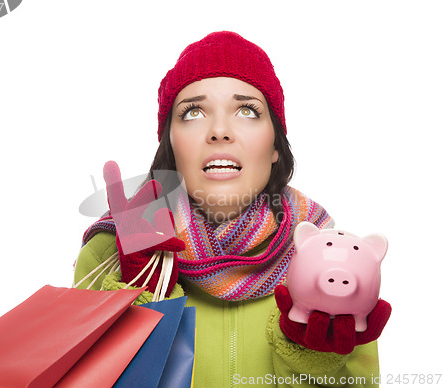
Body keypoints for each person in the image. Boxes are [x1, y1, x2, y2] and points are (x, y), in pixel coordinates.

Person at [73, 31, 391, 387]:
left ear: (275, 145)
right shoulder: (113, 253)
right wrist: (140, 298)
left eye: (247, 110)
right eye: (193, 112)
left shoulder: (336, 263)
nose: (220, 131)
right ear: (171, 142)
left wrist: (316, 361)